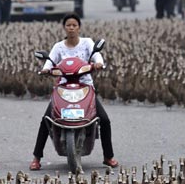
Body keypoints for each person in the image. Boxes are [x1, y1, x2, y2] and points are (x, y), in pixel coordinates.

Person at [29, 14, 118, 170]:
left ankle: (108, 156)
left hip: (85, 87)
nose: (71, 28)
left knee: (104, 120)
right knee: (46, 119)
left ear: (79, 27)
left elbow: (97, 56)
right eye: (68, 25)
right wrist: (45, 70)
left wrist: (98, 63)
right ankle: (36, 157)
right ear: (64, 28)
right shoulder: (58, 47)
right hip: (63, 87)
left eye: (74, 25)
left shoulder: (87, 43)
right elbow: (49, 62)